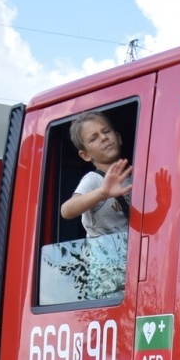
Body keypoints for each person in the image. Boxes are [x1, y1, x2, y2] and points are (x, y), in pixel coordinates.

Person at [59, 110, 132, 296]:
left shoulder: (133, 178)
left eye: (106, 132)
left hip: (132, 266)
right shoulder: (94, 180)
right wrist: (103, 193)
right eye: (94, 138)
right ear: (85, 155)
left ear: (118, 137)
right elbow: (67, 210)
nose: (103, 138)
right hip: (107, 277)